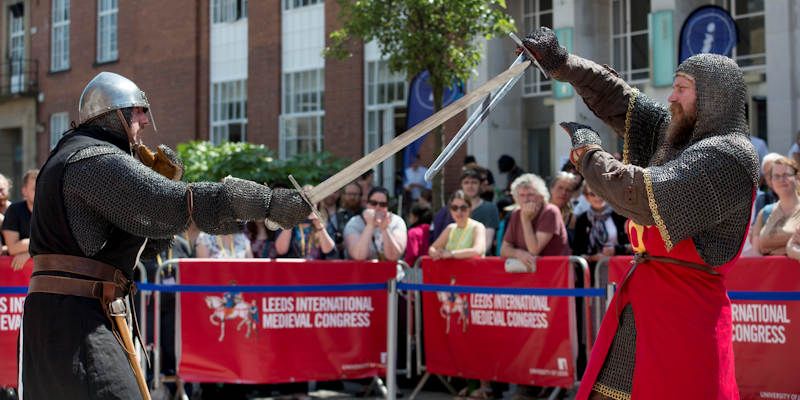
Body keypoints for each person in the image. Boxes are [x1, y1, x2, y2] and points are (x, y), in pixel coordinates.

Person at [21, 72, 310, 399]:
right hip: (76, 320)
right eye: (137, 111)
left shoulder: (72, 154)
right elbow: (179, 202)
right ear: (115, 114)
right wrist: (268, 203)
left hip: (67, 315)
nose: (144, 120)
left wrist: (157, 193)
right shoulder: (94, 158)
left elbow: (148, 244)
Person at [521, 28, 758, 399]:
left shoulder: (728, 156)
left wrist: (590, 156)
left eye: (682, 88)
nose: (671, 97)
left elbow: (644, 199)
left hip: (686, 316)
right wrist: (561, 63)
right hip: (643, 302)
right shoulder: (681, 136)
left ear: (713, 97)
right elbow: (623, 101)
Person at [500, 173, 570, 270]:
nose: (526, 199)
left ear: (541, 197)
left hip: (556, 273)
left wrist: (525, 220)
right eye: (522, 195)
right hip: (529, 275)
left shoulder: (550, 211)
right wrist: (519, 254)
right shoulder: (516, 213)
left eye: (530, 195)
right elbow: (504, 249)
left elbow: (534, 250)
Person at [431, 169, 499, 252]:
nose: (470, 186)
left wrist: (457, 255)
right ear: (461, 186)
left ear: (480, 185)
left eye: (474, 182)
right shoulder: (451, 209)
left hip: (478, 259)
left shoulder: (489, 208)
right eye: (466, 182)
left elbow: (486, 244)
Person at [751, 157, 800, 256]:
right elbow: (755, 253)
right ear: (771, 182)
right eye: (776, 176)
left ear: (797, 178)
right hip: (770, 271)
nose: (781, 179)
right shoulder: (764, 213)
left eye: (786, 175)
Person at [344, 187, 407, 261]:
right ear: (366, 204)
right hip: (363, 271)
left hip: (391, 271)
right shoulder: (354, 223)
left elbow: (393, 256)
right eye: (373, 203)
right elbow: (358, 256)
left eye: (382, 204)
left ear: (387, 207)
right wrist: (370, 225)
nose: (378, 207)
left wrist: (385, 229)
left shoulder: (397, 222)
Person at [572, 184, 630, 263]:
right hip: (594, 269)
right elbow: (577, 250)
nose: (598, 197)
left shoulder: (621, 215)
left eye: (600, 193)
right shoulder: (582, 220)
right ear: (586, 197)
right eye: (592, 194)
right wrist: (591, 258)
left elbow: (633, 245)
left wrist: (616, 250)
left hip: (619, 266)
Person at [428, 190, 487, 260]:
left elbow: (477, 250)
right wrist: (435, 253)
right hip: (452, 270)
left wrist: (451, 254)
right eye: (454, 208)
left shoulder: (477, 227)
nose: (459, 211)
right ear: (450, 210)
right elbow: (432, 248)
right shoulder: (450, 228)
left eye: (463, 208)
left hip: (473, 270)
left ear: (470, 208)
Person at [1, 169, 37, 270]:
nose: (39, 191)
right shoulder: (14, 210)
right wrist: (41, 245)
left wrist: (30, 252)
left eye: (42, 188)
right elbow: (12, 248)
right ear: (24, 191)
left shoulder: (51, 211)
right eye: (35, 188)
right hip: (14, 276)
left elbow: (57, 245)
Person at [330, 181, 364, 258]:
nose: (352, 197)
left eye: (355, 194)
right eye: (349, 194)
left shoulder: (366, 216)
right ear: (343, 195)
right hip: (341, 261)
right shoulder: (336, 218)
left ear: (361, 196)